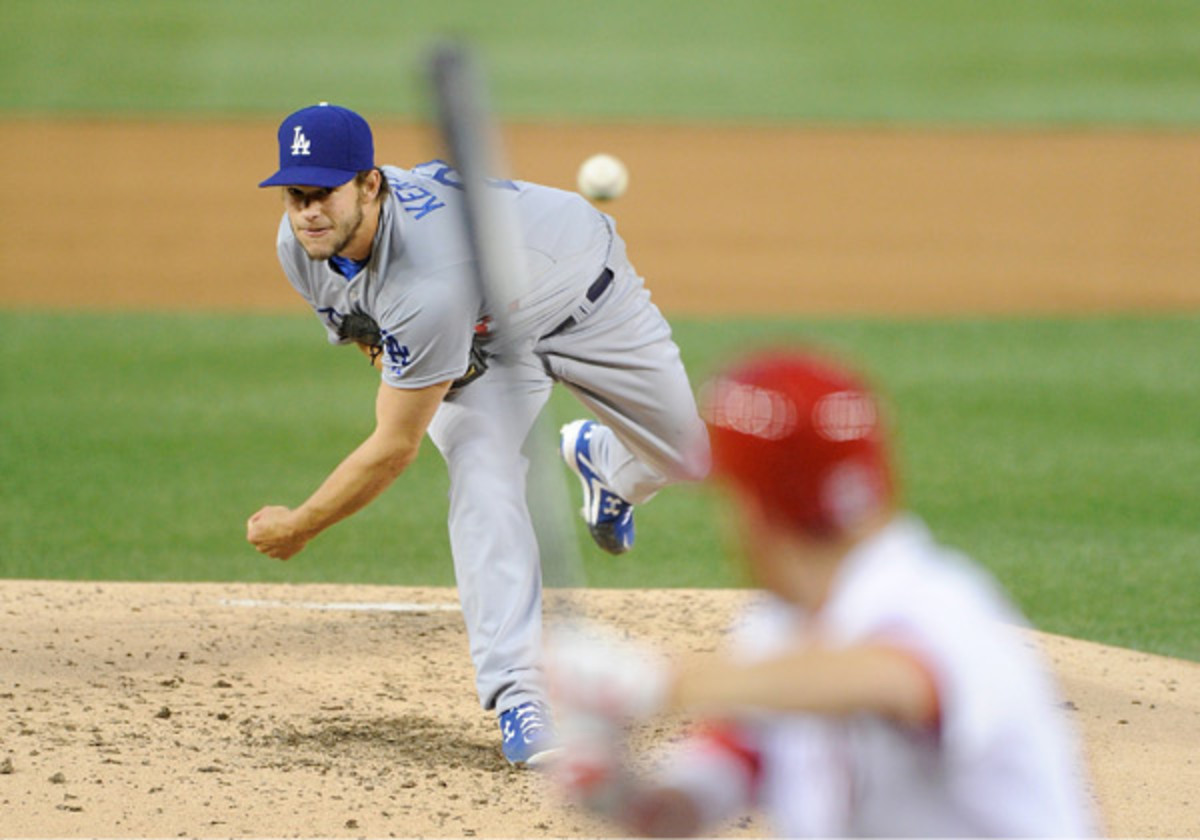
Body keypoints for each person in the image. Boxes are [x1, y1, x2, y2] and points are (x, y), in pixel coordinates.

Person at [245, 103, 709, 767]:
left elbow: (393, 447)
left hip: (585, 296)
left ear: (369, 185)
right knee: (483, 479)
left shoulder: (427, 278)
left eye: (324, 193)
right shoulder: (302, 247)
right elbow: (366, 330)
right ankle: (522, 695)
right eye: (296, 195)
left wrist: (301, 525)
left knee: (687, 455)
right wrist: (410, 357)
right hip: (483, 341)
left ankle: (605, 465)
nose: (308, 211)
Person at [545, 348, 1098, 836]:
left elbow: (894, 679)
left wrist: (660, 679)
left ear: (756, 507)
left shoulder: (933, 606)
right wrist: (622, 791)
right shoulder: (779, 630)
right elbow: (704, 789)